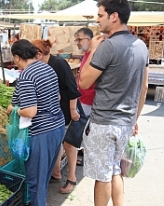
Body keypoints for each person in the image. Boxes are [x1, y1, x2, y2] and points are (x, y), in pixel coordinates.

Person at [78, 0, 149, 205]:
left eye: (100, 15)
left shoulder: (107, 46)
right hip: (125, 123)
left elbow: (83, 82)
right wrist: (134, 119)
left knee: (103, 175)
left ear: (114, 16)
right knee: (115, 169)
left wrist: (91, 50)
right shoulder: (141, 46)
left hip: (104, 123)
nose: (97, 20)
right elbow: (143, 88)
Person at [7, 39, 65, 206]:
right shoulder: (47, 68)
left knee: (36, 182)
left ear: (17, 57)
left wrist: (15, 110)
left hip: (42, 133)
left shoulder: (26, 76)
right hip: (57, 127)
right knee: (43, 177)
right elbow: (58, 97)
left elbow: (31, 111)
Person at [31, 39, 81, 194]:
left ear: (39, 53)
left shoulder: (58, 63)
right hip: (54, 111)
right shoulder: (42, 66)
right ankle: (56, 172)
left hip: (66, 108)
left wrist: (73, 110)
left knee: (68, 143)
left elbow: (73, 88)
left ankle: (70, 177)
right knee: (58, 142)